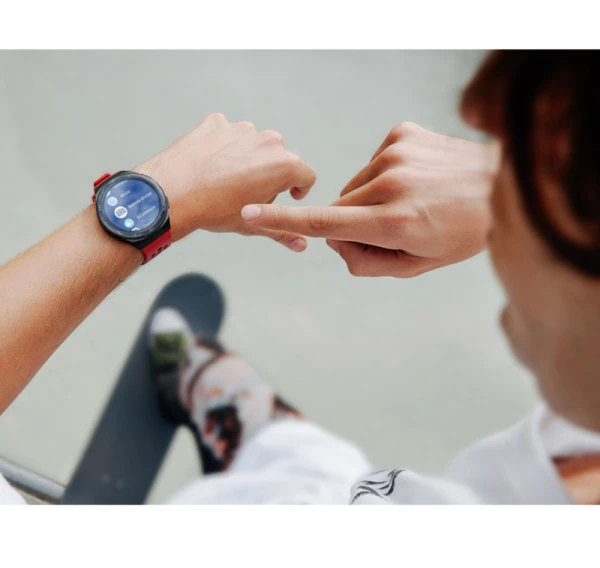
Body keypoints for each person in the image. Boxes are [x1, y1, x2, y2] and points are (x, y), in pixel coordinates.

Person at [1, 50, 600, 504]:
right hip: (351, 493)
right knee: (303, 459)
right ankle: (224, 395)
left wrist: (163, 197)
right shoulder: (573, 435)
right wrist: (512, 189)